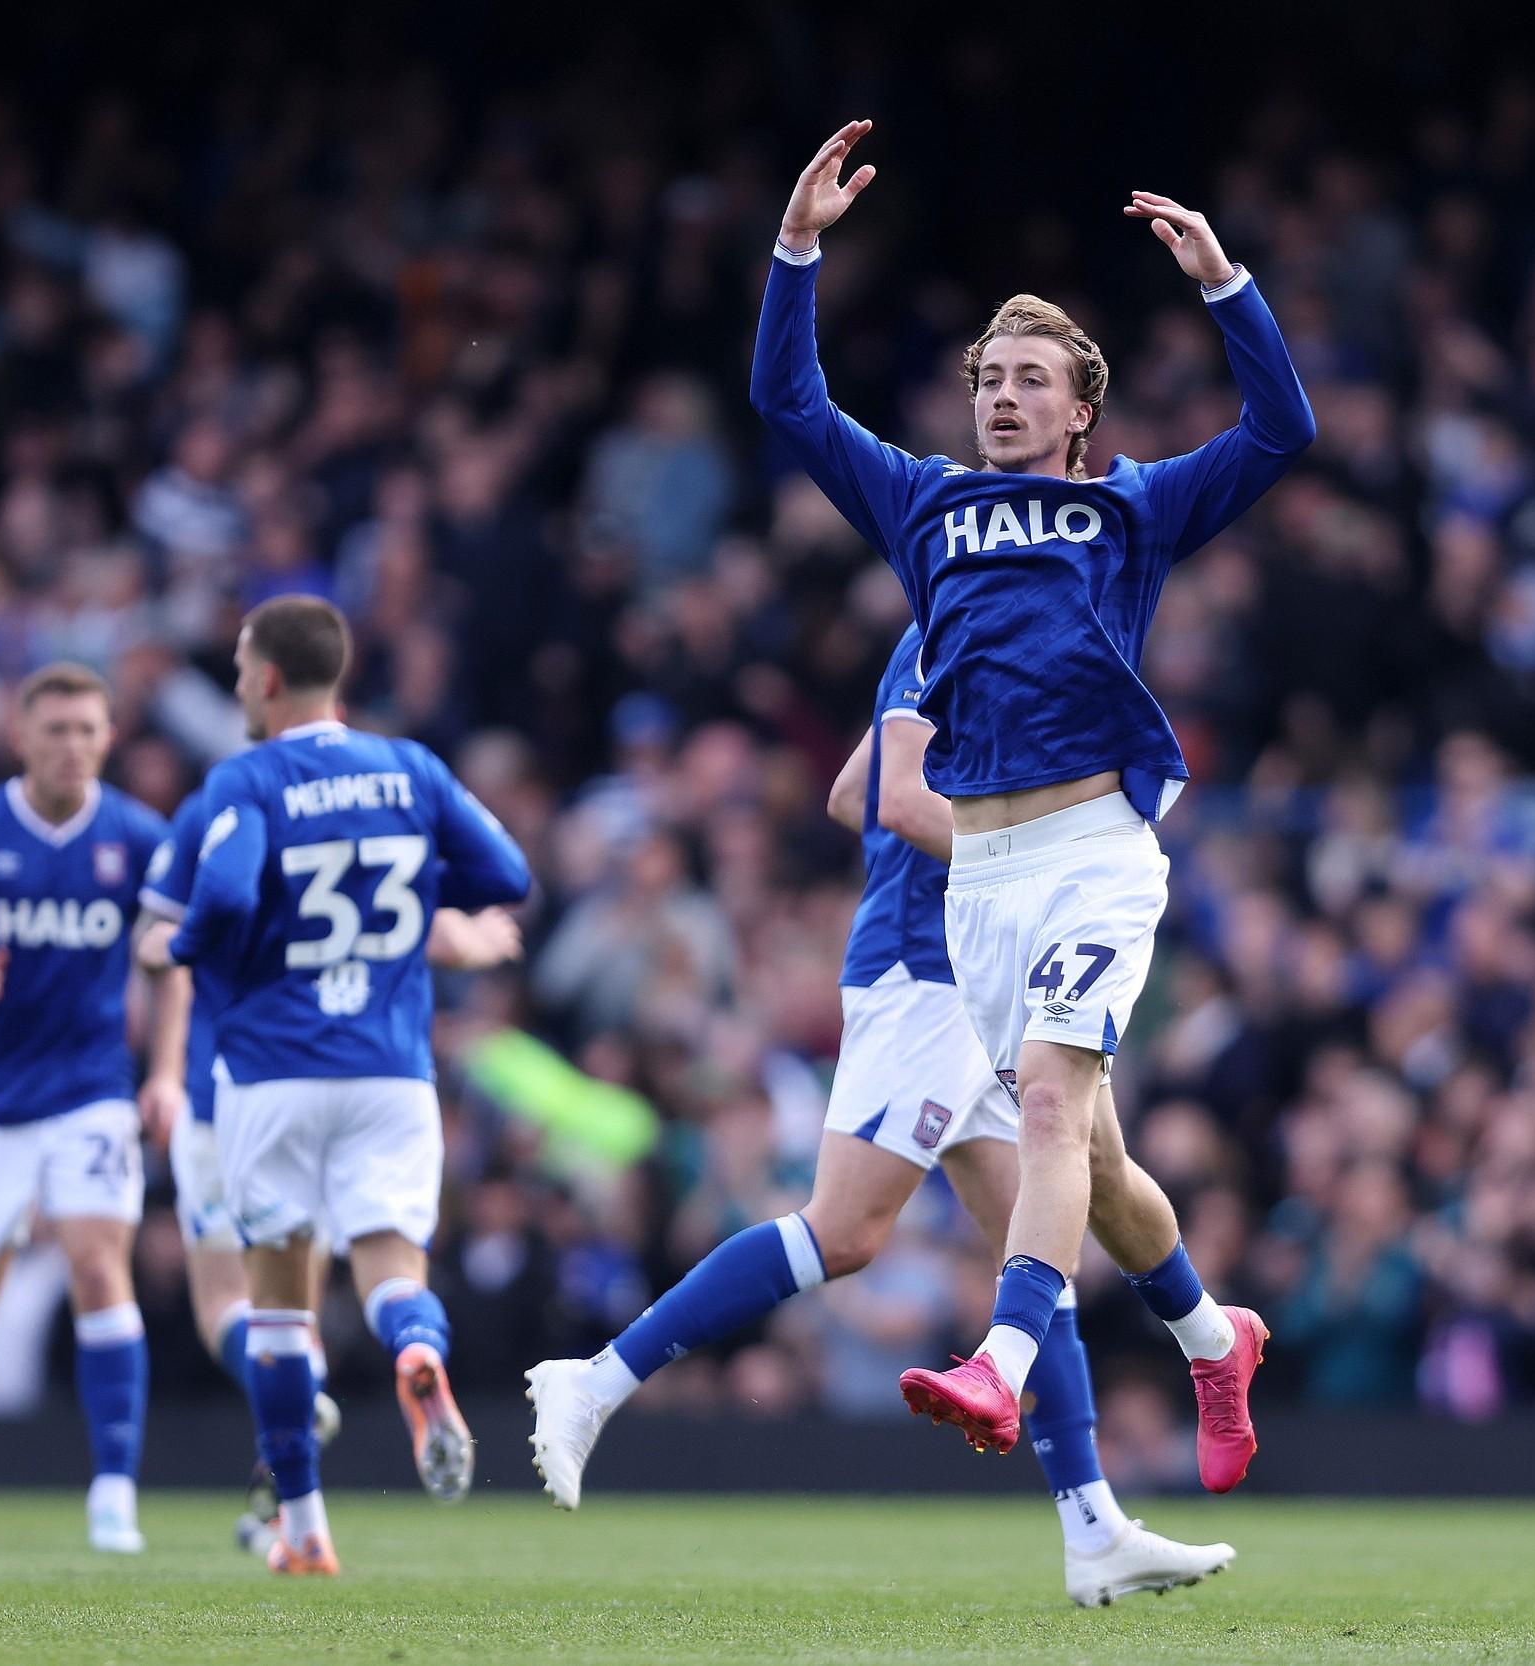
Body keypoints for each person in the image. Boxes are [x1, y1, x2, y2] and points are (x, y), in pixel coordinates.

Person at [754, 121, 1310, 1487]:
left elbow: (1280, 429)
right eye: (990, 378)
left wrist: (1226, 286)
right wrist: (797, 250)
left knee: (1051, 1114)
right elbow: (790, 404)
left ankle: (998, 1364)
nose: (1003, 396)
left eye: (1031, 380)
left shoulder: (1135, 509)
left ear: (1080, 411)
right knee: (1099, 1166)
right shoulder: (923, 505)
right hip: (982, 885)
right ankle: (1213, 1338)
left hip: (1094, 854)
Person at [527, 625, 1234, 1606]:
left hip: (973, 973)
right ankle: (595, 1380)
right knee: (847, 1229)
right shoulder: (961, 627)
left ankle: (1093, 1530)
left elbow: (847, 792)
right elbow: (896, 800)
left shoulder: (976, 623)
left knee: (1035, 1241)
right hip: (927, 972)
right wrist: (1041, 863)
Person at [138, 597, 530, 1576]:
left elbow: (225, 893)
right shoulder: (411, 769)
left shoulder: (248, 777)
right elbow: (507, 872)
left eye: (240, 668)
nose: (238, 685)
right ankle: (415, 1349)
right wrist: (415, 903)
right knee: (394, 1270)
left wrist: (186, 950)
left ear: (268, 678)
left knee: (277, 1311)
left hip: (272, 1073)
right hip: (390, 1070)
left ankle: (307, 1528)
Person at [0, 663, 173, 1555]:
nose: (73, 746)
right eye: (56, 729)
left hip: (92, 1091)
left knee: (98, 1265)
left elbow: (172, 966)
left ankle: (114, 1493)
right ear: (21, 736)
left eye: (88, 729)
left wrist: (165, 1074)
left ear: (110, 736)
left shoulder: (139, 836)